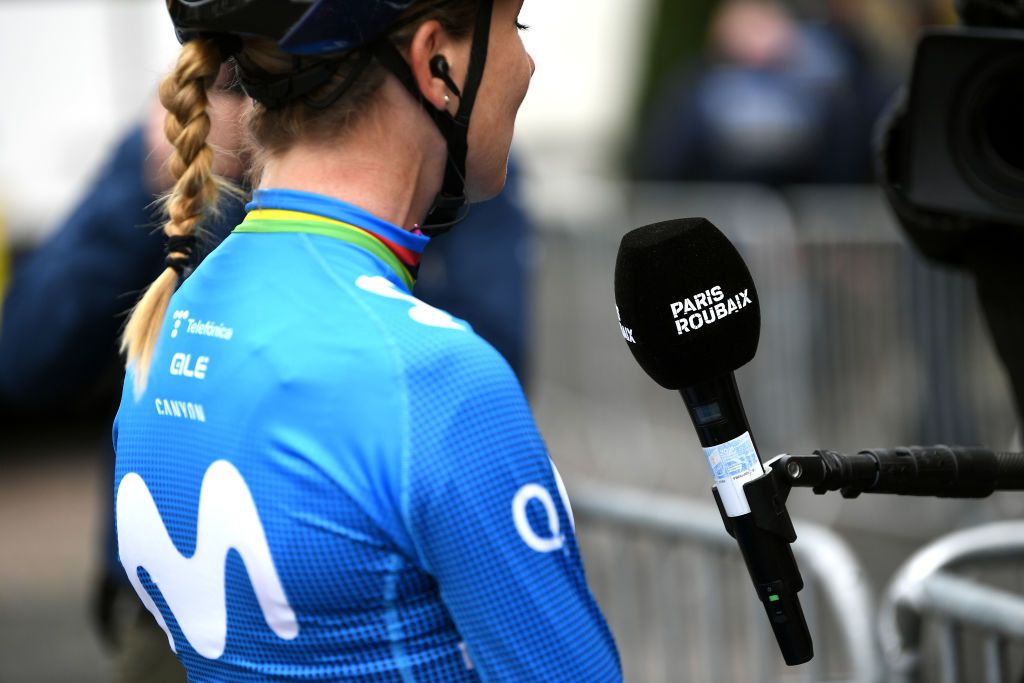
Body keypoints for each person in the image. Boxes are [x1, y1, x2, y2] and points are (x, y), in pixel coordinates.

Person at [112, 1, 621, 682]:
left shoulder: (166, 325)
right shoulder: (434, 379)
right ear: (436, 61)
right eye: (516, 28)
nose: (526, 66)